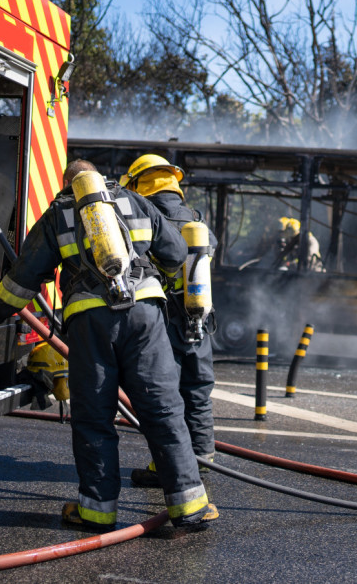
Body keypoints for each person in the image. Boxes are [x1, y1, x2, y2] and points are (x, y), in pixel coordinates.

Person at [0, 159, 217, 531]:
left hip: (90, 323)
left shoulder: (60, 213)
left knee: (94, 417)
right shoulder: (136, 202)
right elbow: (175, 254)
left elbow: (24, 279)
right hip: (145, 318)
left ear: (68, 183)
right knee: (163, 408)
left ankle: (98, 512)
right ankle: (190, 507)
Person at [119, 154, 218, 487]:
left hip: (163, 318)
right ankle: (202, 458)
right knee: (198, 388)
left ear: (138, 184)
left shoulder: (145, 217)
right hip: (200, 317)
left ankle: (166, 467)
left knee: (166, 396)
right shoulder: (197, 219)